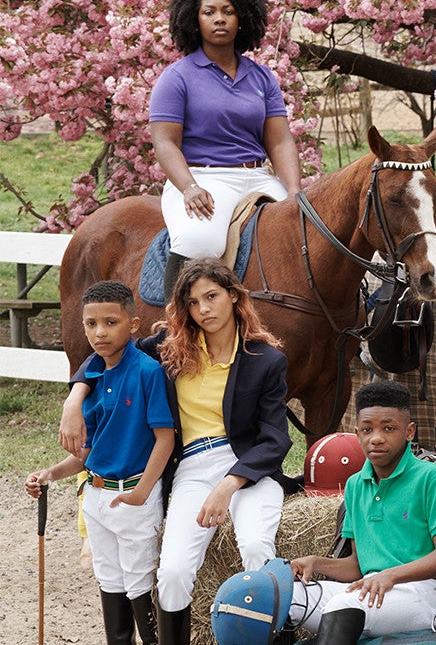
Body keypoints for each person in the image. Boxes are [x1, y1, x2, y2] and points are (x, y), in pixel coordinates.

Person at [61, 259, 292, 644]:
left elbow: (275, 439)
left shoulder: (265, 360)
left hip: (247, 468)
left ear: (234, 297)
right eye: (194, 301)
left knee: (255, 546)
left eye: (212, 297)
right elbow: (114, 349)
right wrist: (76, 395)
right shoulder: (172, 349)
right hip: (191, 468)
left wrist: (228, 485)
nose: (204, 309)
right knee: (171, 574)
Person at [27, 281, 175, 645]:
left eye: (111, 322)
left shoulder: (146, 372)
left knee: (140, 582)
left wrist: (142, 492)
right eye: (91, 324)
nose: (99, 332)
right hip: (95, 497)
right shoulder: (93, 375)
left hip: (134, 496)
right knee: (109, 580)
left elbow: (165, 439)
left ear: (134, 324)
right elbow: (87, 454)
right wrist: (51, 473)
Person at [151, 0, 301, 298]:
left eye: (228, 11)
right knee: (200, 241)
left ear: (242, 18)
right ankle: (174, 325)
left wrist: (293, 190)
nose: (219, 19)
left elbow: (279, 140)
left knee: (302, 231)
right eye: (209, 12)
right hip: (204, 179)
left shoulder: (261, 76)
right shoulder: (177, 77)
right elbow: (165, 142)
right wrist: (189, 188)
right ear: (194, 19)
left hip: (258, 177)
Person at [288, 380, 436, 642]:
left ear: (409, 432)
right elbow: (357, 566)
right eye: (367, 429)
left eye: (389, 428)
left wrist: (390, 575)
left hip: (426, 591)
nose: (377, 438)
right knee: (282, 598)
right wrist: (315, 562)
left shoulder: (432, 477)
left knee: (345, 605)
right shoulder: (355, 485)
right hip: (370, 587)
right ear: (357, 433)